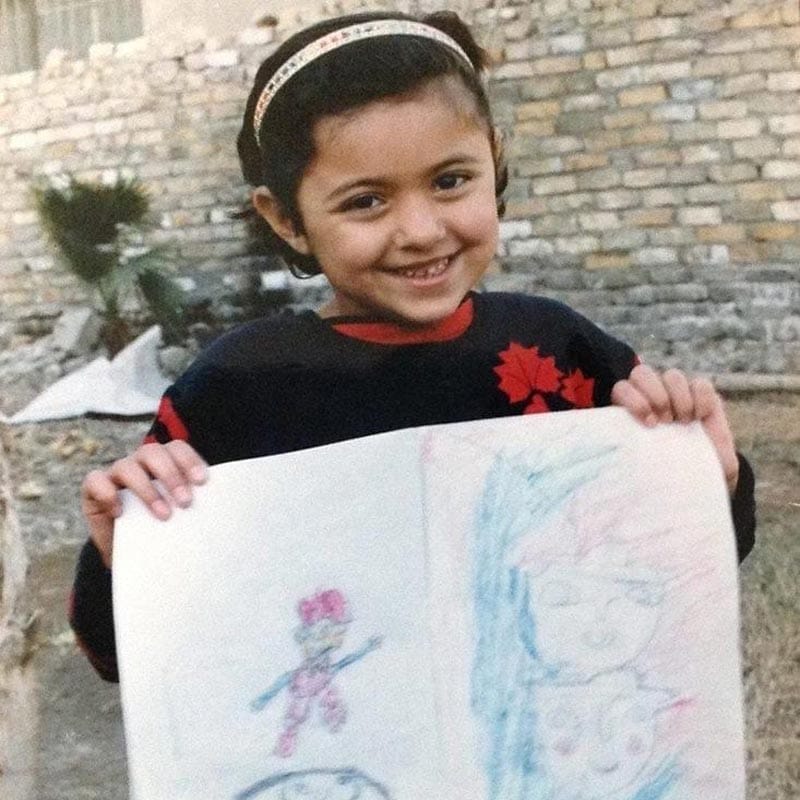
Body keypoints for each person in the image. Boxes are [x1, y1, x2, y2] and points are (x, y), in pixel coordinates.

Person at [70, 10, 756, 682]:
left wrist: (709, 479)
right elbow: (119, 660)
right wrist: (121, 554)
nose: (422, 231)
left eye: (450, 181)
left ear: (495, 159)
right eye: (366, 201)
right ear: (286, 218)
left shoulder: (564, 352)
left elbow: (674, 572)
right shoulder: (236, 389)